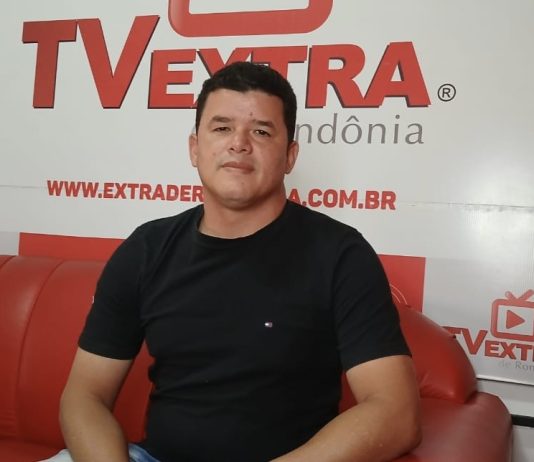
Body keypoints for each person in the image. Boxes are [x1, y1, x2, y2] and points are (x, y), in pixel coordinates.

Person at [55, 61, 421, 462]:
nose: (239, 144)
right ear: (195, 148)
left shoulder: (341, 254)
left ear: (290, 155)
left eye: (261, 131)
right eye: (222, 128)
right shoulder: (146, 249)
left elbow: (396, 413)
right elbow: (84, 395)